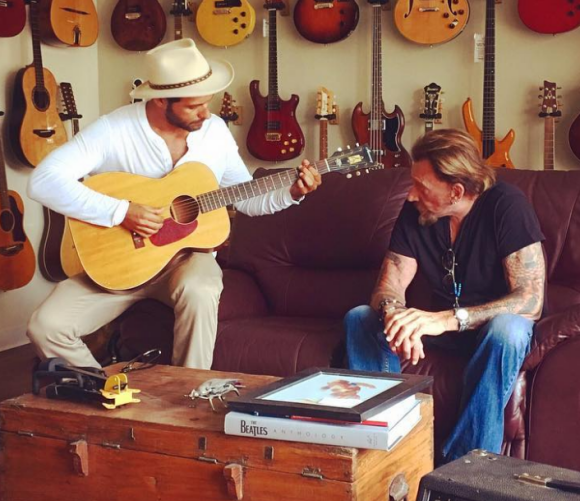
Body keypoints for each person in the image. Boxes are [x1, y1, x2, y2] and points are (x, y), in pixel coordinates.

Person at [27, 38, 321, 370]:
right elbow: (43, 180)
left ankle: (187, 396)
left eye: (206, 102)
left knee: (200, 289)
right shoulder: (114, 130)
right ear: (160, 101)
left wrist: (292, 192)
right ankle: (105, 392)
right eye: (194, 106)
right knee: (45, 326)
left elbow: (245, 196)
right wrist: (122, 212)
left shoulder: (214, 132)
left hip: (187, 258)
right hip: (121, 262)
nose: (205, 113)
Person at [344, 129, 546, 463]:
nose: (410, 195)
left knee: (509, 330)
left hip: (487, 331)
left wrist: (445, 320)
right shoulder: (416, 213)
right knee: (361, 317)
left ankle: (466, 468)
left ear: (455, 191)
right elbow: (388, 286)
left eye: (421, 187)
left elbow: (530, 299)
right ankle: (389, 446)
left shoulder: (507, 206)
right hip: (436, 329)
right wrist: (396, 315)